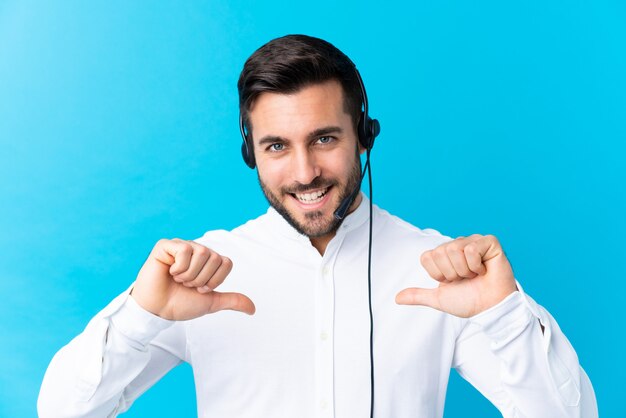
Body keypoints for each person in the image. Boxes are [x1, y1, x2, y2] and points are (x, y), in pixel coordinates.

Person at [38, 34, 597, 418]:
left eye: (324, 139)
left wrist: (504, 316)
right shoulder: (197, 276)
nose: (305, 172)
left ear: (365, 136)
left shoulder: (442, 271)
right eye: (277, 145)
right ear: (250, 153)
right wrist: (142, 316)